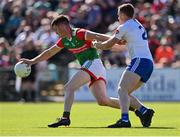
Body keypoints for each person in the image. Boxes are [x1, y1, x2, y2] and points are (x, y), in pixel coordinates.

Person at [20, 15, 144, 128]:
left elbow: (98, 36)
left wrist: (117, 40)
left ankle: (65, 117)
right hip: (95, 67)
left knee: (69, 87)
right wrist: (31, 62)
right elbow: (49, 53)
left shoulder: (80, 33)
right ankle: (140, 109)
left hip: (93, 63)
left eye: (56, 29)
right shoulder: (64, 40)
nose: (56, 33)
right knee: (103, 101)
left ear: (63, 25)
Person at [93, 3, 154, 128]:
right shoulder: (136, 23)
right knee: (125, 94)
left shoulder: (124, 26)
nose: (117, 17)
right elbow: (122, 43)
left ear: (122, 14)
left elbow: (109, 44)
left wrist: (96, 44)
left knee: (122, 90)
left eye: (118, 15)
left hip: (139, 60)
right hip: (148, 62)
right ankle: (144, 111)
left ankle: (125, 120)